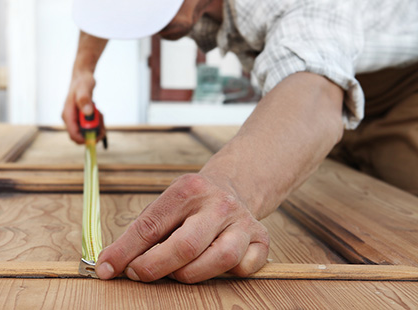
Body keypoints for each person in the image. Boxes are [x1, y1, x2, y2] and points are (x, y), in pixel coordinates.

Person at [62, 0, 418, 284]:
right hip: (322, 85)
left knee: (398, 222)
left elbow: (316, 98)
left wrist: (228, 185)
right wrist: (83, 71)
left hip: (400, 89)